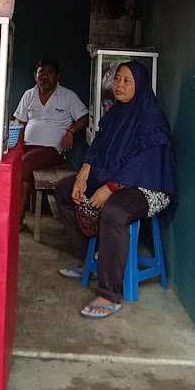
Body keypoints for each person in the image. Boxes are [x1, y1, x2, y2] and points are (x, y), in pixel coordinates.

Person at [55, 61, 177, 320]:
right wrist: (83, 174)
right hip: (115, 179)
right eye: (117, 79)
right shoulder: (115, 113)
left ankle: (109, 294)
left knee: (114, 211)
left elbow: (144, 163)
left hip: (148, 186)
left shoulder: (151, 117)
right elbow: (97, 147)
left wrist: (109, 188)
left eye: (126, 81)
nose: (118, 85)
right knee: (65, 191)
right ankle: (91, 259)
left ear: (139, 85)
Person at [14, 58, 88, 223]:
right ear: (35, 76)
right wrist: (17, 146)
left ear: (57, 76)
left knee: (25, 163)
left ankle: (17, 218)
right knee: (14, 162)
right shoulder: (29, 94)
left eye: (49, 73)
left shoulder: (68, 96)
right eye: (41, 73)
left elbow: (84, 118)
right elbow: (20, 122)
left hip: (51, 150)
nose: (44, 77)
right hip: (28, 147)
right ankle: (9, 212)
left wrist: (70, 131)